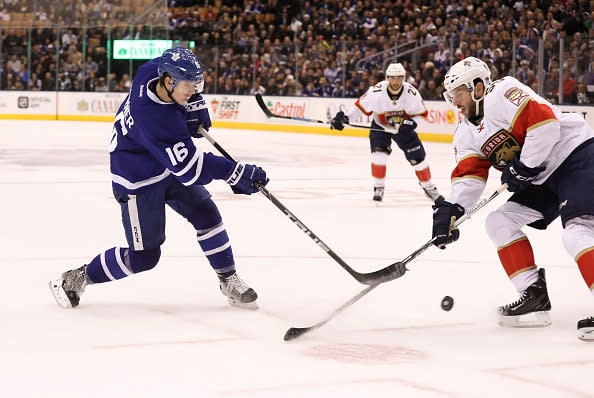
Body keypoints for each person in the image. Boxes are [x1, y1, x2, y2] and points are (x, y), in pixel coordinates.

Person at [49, 47, 269, 311]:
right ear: (169, 82)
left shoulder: (150, 71)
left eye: (196, 84)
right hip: (137, 179)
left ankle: (228, 280)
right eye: (189, 85)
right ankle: (77, 277)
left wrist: (193, 101)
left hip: (163, 164)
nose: (193, 89)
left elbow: (171, 68)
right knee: (145, 257)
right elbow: (190, 170)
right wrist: (235, 172)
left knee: (207, 216)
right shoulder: (155, 118)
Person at [434, 56, 594, 341]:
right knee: (499, 222)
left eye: (458, 93)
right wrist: (453, 210)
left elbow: (544, 123)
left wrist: (524, 166)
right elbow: (469, 177)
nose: (454, 101)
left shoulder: (502, 92)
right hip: (541, 177)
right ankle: (532, 295)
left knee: (577, 232)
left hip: (573, 156)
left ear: (477, 87)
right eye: (450, 96)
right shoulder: (465, 133)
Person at [330, 63, 443, 202]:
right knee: (379, 156)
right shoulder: (375, 92)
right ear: (387, 78)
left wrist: (411, 123)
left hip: (402, 129)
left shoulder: (411, 93)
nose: (395, 82)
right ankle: (378, 187)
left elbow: (421, 114)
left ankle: (429, 187)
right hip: (380, 127)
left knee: (418, 159)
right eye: (392, 78)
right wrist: (345, 118)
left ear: (404, 78)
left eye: (399, 78)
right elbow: (359, 107)